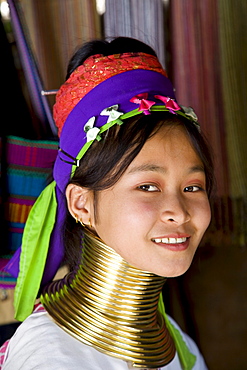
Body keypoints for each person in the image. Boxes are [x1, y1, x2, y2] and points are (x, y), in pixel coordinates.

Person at [1, 37, 214, 370]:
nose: (179, 211)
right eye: (147, 186)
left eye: (192, 186)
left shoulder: (178, 346)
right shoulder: (50, 355)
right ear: (82, 204)